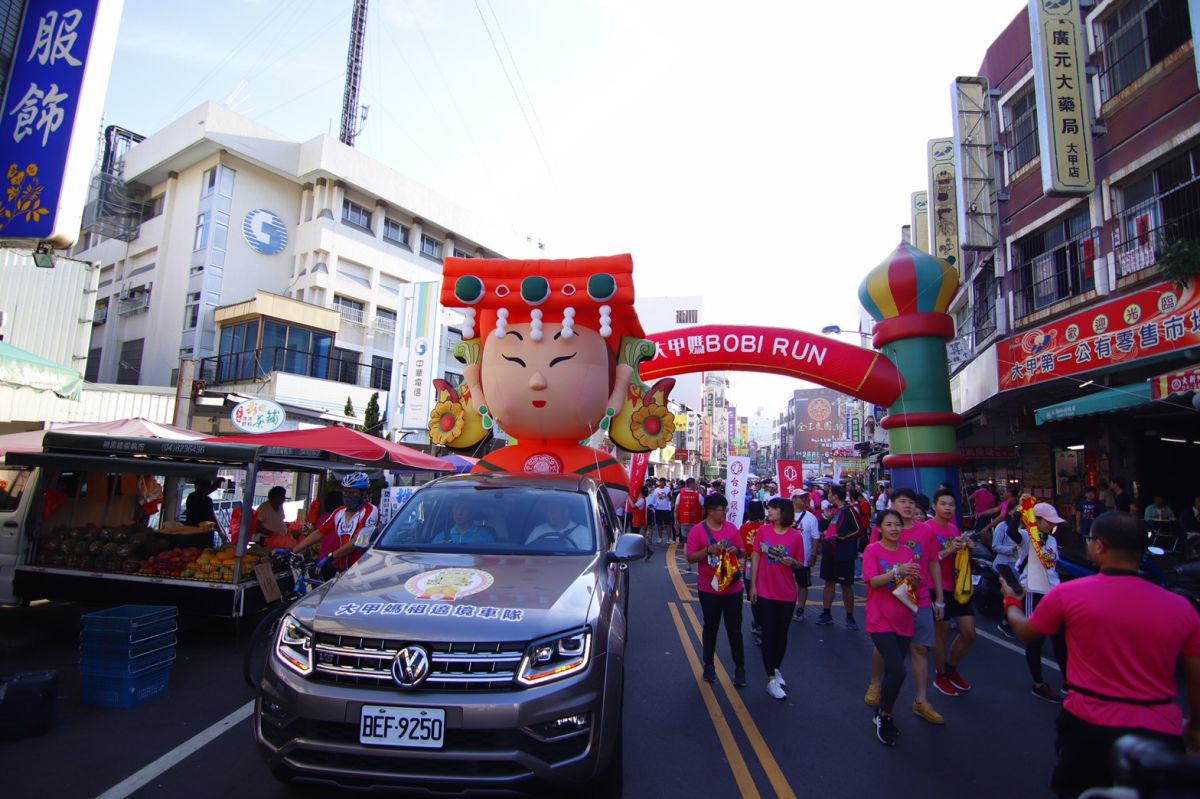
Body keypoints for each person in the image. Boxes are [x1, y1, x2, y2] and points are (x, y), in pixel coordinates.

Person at [1000, 512, 1200, 797]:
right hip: (1159, 730)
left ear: (1100, 547)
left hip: (1088, 724)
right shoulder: (1183, 608)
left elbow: (1026, 631)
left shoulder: (1068, 594)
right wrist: (1194, 728)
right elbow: (1196, 678)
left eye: (1090, 539)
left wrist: (1009, 599)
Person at [864, 487, 946, 725]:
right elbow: (874, 574)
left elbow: (933, 565)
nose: (908, 506)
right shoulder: (878, 541)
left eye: (912, 502)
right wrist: (896, 572)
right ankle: (877, 684)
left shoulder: (925, 533)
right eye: (903, 502)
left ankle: (921, 700)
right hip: (885, 607)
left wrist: (938, 598)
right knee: (887, 652)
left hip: (915, 601)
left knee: (920, 649)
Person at [863, 509, 919, 745]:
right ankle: (885, 714)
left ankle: (884, 710)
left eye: (898, 525)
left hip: (904, 618)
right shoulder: (872, 550)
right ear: (880, 528)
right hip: (879, 619)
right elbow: (873, 581)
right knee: (898, 670)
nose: (895, 529)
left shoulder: (907, 552)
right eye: (889, 525)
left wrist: (912, 576)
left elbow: (914, 581)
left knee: (894, 672)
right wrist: (896, 571)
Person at [685, 493, 747, 687]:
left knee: (735, 630)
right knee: (711, 628)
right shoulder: (697, 531)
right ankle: (709, 665)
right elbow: (690, 558)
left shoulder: (731, 529)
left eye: (726, 509)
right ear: (711, 511)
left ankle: (739, 668)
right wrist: (708, 551)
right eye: (722, 510)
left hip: (733, 588)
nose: (725, 513)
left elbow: (743, 551)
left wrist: (736, 551)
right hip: (709, 589)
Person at [750, 497, 807, 700]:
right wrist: (754, 585)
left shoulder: (795, 537)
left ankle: (776, 668)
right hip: (765, 590)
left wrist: (792, 562)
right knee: (769, 633)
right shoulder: (763, 531)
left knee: (782, 634)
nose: (770, 511)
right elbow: (755, 556)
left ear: (783, 512)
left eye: (773, 508)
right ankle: (770, 679)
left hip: (787, 592)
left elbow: (801, 563)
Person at [1014, 501, 1069, 703]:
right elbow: (1013, 531)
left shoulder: (1052, 540)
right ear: (1035, 520)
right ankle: (1038, 684)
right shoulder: (1026, 537)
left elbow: (1051, 565)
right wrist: (1021, 510)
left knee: (1061, 639)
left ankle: (1068, 680)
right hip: (1034, 592)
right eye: (1047, 521)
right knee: (1035, 640)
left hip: (1054, 593)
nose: (1051, 525)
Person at [928, 488, 976, 697]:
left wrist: (967, 547)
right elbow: (927, 560)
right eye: (943, 504)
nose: (948, 508)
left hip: (959, 587)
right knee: (942, 634)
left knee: (969, 632)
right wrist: (949, 550)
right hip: (938, 587)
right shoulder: (927, 529)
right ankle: (940, 675)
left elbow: (959, 558)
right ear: (934, 506)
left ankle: (951, 668)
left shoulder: (955, 528)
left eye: (952, 504)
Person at [292, 472, 380, 576]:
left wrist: (331, 556)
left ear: (363, 493)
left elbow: (357, 541)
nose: (348, 495)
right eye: (345, 492)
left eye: (353, 492)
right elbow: (319, 533)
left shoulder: (371, 511)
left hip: (362, 571)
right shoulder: (339, 512)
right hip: (342, 571)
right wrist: (293, 551)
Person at [815, 484, 864, 630]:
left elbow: (858, 530)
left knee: (846, 585)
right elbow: (822, 528)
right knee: (829, 583)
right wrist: (825, 517)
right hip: (830, 552)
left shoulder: (849, 510)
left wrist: (841, 537)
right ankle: (826, 613)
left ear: (835, 495)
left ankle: (850, 616)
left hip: (844, 553)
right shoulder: (831, 510)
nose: (827, 495)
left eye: (829, 493)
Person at [739, 501, 767, 646]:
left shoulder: (744, 528)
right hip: (766, 565)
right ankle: (764, 622)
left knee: (753, 595)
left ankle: (758, 623)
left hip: (749, 565)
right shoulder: (767, 527)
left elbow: (740, 548)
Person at [791, 490, 821, 623]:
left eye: (805, 497)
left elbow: (816, 537)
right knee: (786, 583)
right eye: (801, 497)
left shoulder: (810, 517)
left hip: (803, 556)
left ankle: (801, 608)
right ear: (793, 498)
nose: (804, 499)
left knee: (803, 584)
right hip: (786, 556)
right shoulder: (786, 515)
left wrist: (813, 554)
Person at [992, 508, 1021, 639]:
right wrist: (1012, 549)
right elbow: (995, 546)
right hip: (1004, 565)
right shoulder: (1002, 527)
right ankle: (1005, 623)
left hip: (1019, 567)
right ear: (1010, 512)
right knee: (1011, 594)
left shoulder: (1026, 527)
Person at [675, 477, 704, 548]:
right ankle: (693, 556)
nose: (696, 485)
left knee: (685, 542)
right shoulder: (698, 496)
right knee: (694, 541)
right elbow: (703, 509)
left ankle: (687, 556)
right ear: (692, 484)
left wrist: (676, 521)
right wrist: (702, 520)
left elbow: (676, 509)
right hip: (696, 522)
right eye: (695, 484)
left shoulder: (680, 495)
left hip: (683, 521)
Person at [650, 478, 673, 546]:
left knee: (668, 524)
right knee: (659, 524)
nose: (663, 484)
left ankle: (669, 539)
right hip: (658, 508)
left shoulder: (668, 489)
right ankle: (660, 538)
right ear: (659, 483)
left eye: (664, 482)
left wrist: (670, 497)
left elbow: (670, 497)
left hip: (666, 509)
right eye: (662, 482)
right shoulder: (656, 490)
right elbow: (653, 498)